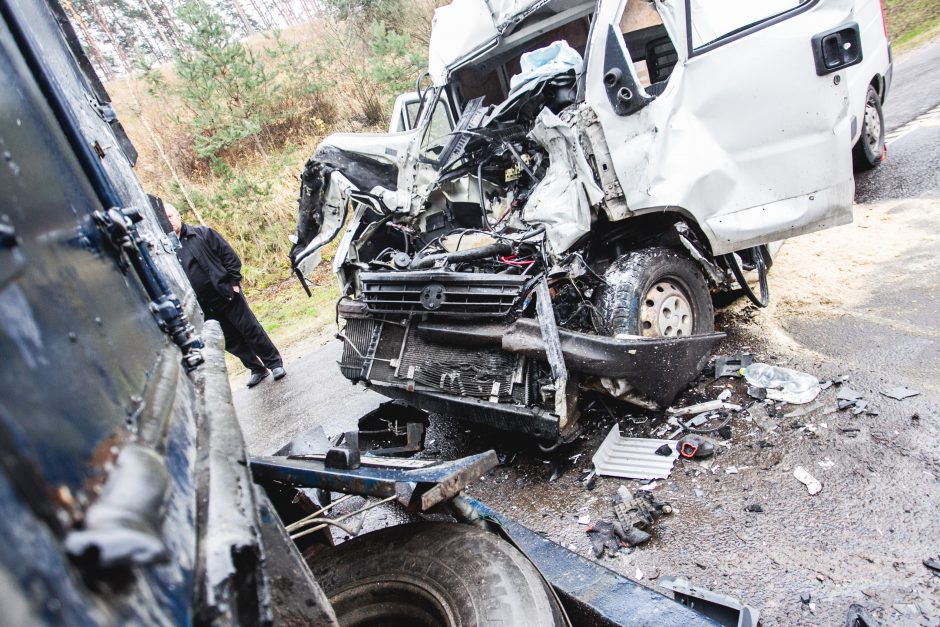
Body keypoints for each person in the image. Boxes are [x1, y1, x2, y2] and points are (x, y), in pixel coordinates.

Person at [165, 204, 285, 387]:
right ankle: (256, 368)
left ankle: (274, 363)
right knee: (230, 341)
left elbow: (229, 256)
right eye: (164, 218)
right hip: (203, 306)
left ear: (178, 215)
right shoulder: (168, 250)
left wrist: (234, 283)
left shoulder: (202, 233)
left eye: (171, 215)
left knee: (250, 329)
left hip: (226, 294)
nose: (169, 221)